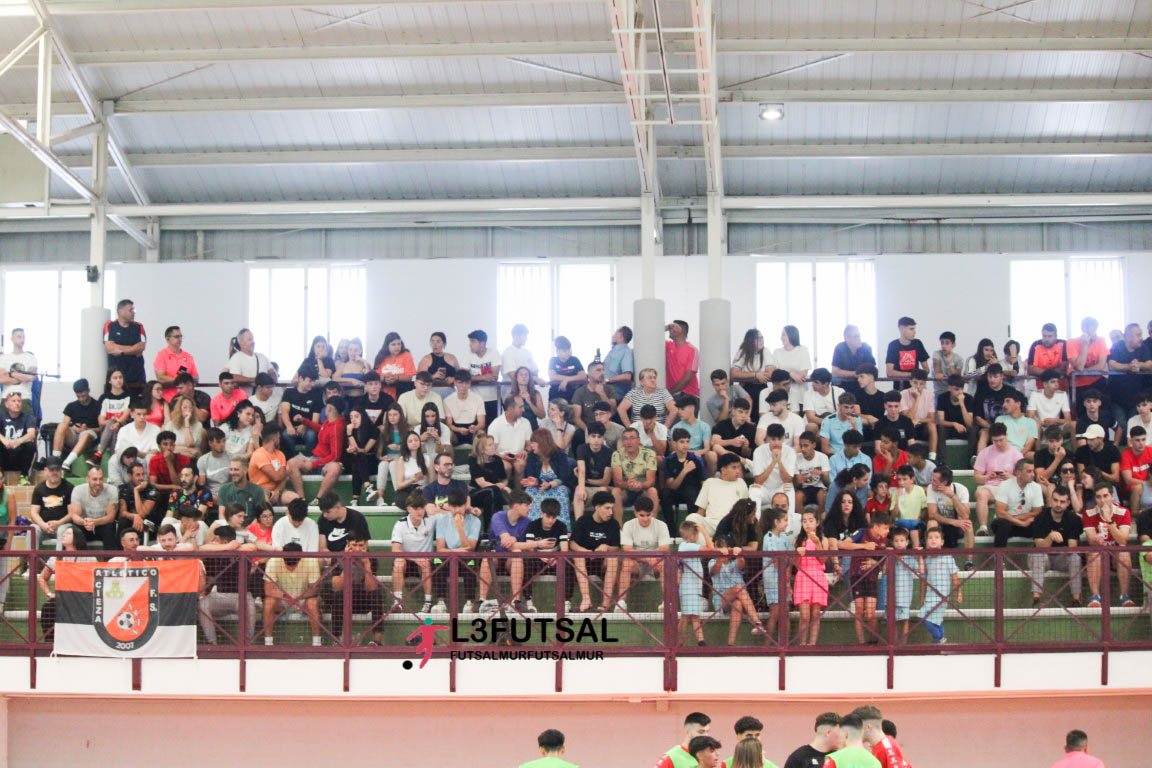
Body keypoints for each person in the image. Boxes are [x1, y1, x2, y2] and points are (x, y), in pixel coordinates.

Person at [477, 491, 535, 613]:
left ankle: (516, 601)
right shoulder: (498, 517)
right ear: (516, 505)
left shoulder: (527, 521)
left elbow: (527, 547)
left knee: (517, 553)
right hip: (496, 557)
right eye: (526, 504)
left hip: (512, 561)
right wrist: (513, 539)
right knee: (489, 556)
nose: (530, 507)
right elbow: (505, 539)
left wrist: (513, 541)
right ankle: (481, 600)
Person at [1028, 484, 1084, 608]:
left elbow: (1072, 547)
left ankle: (1076, 599)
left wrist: (1064, 549)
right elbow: (1039, 545)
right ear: (1051, 500)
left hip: (1062, 558)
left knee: (1075, 557)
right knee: (1038, 555)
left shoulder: (1074, 519)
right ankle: (1036, 599)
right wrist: (1050, 537)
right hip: (1044, 557)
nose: (1058, 504)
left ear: (1068, 503)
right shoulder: (1041, 517)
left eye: (1062, 501)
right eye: (1055, 500)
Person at [1082, 484, 1134, 609]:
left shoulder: (1124, 512)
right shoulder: (1088, 513)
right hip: (1100, 552)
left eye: (1105, 496)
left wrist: (1109, 521)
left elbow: (1122, 539)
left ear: (1112, 497)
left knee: (1124, 552)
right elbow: (1091, 540)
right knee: (1094, 553)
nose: (1102, 500)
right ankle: (1095, 597)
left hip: (1116, 553)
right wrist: (1096, 539)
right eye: (1098, 497)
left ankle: (1124, 596)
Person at [286, 396, 346, 504]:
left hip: (325, 463)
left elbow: (335, 456)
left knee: (335, 467)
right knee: (291, 463)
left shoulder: (337, 426)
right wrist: (304, 421)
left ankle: (318, 499)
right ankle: (301, 499)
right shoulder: (329, 422)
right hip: (316, 458)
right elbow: (321, 429)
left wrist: (313, 464)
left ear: (329, 409)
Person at [262, 542, 323, 647]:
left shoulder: (311, 561)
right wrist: (287, 597)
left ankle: (317, 643)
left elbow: (315, 589)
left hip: (304, 600)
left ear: (301, 557)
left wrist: (299, 597)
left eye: (294, 563)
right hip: (282, 601)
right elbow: (268, 589)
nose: (291, 567)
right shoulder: (273, 561)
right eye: (287, 563)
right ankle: (268, 643)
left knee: (312, 603)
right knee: (268, 602)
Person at [570, 491, 621, 613]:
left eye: (612, 508)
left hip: (602, 563)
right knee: (578, 556)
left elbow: (616, 547)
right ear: (597, 507)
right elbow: (572, 543)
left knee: (613, 559)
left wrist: (607, 547)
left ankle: (605, 605)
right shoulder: (583, 521)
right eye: (607, 508)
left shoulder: (614, 524)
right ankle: (586, 600)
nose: (611, 512)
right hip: (584, 561)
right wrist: (586, 551)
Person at [617, 496, 670, 611]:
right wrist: (647, 558)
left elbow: (664, 549)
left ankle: (667, 601)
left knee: (664, 564)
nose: (645, 519)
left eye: (648, 515)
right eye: (642, 515)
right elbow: (627, 550)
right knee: (626, 563)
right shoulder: (628, 525)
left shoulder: (661, 525)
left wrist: (651, 558)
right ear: (635, 513)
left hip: (656, 563)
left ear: (652, 513)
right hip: (637, 564)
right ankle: (621, 602)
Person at [432, 490, 482, 613]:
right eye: (454, 506)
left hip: (465, 558)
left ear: (465, 505)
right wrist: (456, 550)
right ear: (449, 506)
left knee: (470, 562)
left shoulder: (475, 521)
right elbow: (440, 548)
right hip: (448, 557)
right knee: (437, 561)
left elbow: (470, 548)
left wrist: (460, 527)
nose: (457, 510)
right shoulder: (442, 521)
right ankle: (440, 602)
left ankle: (469, 602)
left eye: (460, 506)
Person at [972, 423, 1024, 536]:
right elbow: (976, 478)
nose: (998, 443)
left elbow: (1023, 480)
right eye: (995, 441)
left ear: (1006, 436)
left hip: (1010, 488)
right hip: (990, 487)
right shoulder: (984, 453)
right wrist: (987, 477)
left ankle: (999, 521)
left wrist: (1010, 478)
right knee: (981, 492)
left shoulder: (1017, 454)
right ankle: (983, 527)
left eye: (1001, 440)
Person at [523, 498, 574, 612]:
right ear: (542, 513)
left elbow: (565, 549)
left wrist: (557, 558)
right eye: (548, 517)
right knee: (525, 562)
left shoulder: (561, 526)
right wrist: (541, 557)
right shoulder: (533, 525)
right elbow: (529, 547)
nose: (551, 520)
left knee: (569, 562)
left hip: (556, 561)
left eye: (554, 517)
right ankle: (528, 601)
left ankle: (566, 601)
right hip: (537, 560)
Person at [390, 494, 436, 613]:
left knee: (426, 563)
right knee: (399, 562)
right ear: (408, 509)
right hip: (407, 561)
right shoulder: (400, 524)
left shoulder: (430, 521)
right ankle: (397, 602)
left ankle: (428, 602)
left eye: (421, 508)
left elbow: (448, 513)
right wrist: (415, 558)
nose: (419, 511)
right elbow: (395, 550)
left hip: (425, 562)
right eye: (416, 508)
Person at [523, 429, 574, 528]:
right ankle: (531, 527)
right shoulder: (532, 456)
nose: (531, 445)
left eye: (534, 443)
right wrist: (535, 482)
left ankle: (563, 528)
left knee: (562, 491)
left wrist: (550, 485)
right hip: (539, 486)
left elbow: (564, 477)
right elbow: (531, 475)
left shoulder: (559, 454)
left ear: (542, 443)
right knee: (529, 491)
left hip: (557, 486)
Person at [794, 508, 831, 646]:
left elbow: (823, 559)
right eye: (804, 521)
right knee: (804, 615)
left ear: (817, 522)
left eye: (810, 520)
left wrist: (817, 543)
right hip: (803, 577)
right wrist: (798, 554)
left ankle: (812, 644)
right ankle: (802, 644)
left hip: (817, 576)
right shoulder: (798, 540)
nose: (807, 524)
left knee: (815, 615)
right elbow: (794, 564)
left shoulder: (823, 539)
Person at [920, 525, 962, 644]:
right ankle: (938, 641)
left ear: (942, 542)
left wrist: (959, 593)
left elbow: (955, 577)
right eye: (930, 538)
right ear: (927, 541)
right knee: (937, 620)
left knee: (923, 617)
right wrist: (922, 596)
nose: (933, 540)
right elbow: (923, 581)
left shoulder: (948, 558)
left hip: (942, 596)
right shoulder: (926, 560)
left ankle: (938, 637)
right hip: (929, 596)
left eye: (936, 537)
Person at [610, 427, 660, 524]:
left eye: (632, 438)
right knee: (615, 491)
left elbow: (651, 481)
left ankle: (653, 526)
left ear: (638, 440)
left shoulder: (649, 454)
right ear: (623, 442)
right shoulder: (617, 454)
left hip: (643, 490)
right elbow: (617, 482)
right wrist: (628, 485)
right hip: (626, 490)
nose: (629, 442)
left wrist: (640, 485)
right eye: (626, 439)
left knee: (653, 491)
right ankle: (619, 528)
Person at [991, 458, 1043, 548]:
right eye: (1029, 471)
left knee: (1041, 522)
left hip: (1024, 522)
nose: (1033, 475)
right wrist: (1021, 522)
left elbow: (1037, 512)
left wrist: (1019, 518)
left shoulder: (1036, 487)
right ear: (1018, 473)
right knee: (1003, 524)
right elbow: (1000, 513)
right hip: (1007, 524)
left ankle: (1038, 557)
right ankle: (999, 559)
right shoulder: (1005, 485)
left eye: (1033, 471)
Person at [53, 378, 100, 473]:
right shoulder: (71, 406)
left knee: (86, 433)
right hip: (74, 436)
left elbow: (102, 428)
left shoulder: (97, 405)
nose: (81, 399)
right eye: (78, 396)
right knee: (61, 426)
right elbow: (65, 424)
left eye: (83, 396)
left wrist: (87, 429)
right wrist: (73, 428)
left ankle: (67, 463)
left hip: (90, 437)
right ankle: (55, 460)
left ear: (88, 391)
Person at [927, 465, 974, 556]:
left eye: (934, 481)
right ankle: (931, 557)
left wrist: (953, 496)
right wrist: (952, 521)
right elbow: (932, 514)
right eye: (931, 479)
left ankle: (969, 561)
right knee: (931, 523)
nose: (931, 482)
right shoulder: (931, 488)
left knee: (968, 524)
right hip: (941, 523)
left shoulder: (961, 489)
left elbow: (965, 515)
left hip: (957, 524)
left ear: (944, 482)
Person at [67, 467, 118, 549]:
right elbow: (75, 516)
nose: (98, 482)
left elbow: (111, 517)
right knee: (74, 529)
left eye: (101, 479)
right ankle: (80, 560)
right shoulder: (78, 490)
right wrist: (85, 522)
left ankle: (109, 560)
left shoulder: (112, 490)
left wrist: (94, 522)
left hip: (103, 525)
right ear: (87, 479)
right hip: (84, 524)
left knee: (110, 527)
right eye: (95, 479)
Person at [750, 423, 797, 513]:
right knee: (754, 489)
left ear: (783, 438)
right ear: (767, 439)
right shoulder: (759, 451)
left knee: (789, 487)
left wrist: (779, 461)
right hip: (764, 489)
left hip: (780, 488)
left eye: (779, 439)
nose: (776, 443)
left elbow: (788, 480)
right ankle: (755, 524)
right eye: (773, 439)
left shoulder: (790, 452)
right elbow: (758, 481)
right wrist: (773, 462)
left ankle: (789, 524)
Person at [661, 428, 706, 519]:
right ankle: (671, 531)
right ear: (674, 443)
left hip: (692, 491)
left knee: (691, 492)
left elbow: (704, 483)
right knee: (665, 495)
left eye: (687, 442)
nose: (685, 445)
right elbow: (672, 486)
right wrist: (684, 471)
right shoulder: (669, 460)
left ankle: (691, 527)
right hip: (676, 491)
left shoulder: (696, 459)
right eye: (682, 442)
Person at [103, 299, 147, 390]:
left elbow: (141, 347)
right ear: (120, 311)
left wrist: (121, 351)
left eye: (134, 310)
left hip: (137, 379)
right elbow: (110, 348)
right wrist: (133, 349)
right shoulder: (110, 326)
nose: (134, 313)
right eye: (130, 310)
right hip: (117, 380)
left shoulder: (138, 327)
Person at [93, 368, 132, 463]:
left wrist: (117, 421)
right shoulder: (104, 398)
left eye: (120, 377)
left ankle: (99, 454)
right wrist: (113, 421)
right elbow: (101, 422)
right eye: (115, 378)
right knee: (112, 423)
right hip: (109, 430)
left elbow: (124, 417)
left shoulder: (129, 395)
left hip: (124, 428)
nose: (118, 380)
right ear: (109, 381)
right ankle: (112, 462)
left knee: (115, 424)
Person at [280, 371, 322, 457]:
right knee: (285, 435)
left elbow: (315, 420)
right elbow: (284, 412)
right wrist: (289, 426)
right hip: (292, 426)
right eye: (310, 381)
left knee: (311, 435)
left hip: (308, 427)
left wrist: (305, 425)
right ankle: (296, 456)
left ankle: (308, 458)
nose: (312, 384)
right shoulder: (289, 392)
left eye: (314, 381)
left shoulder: (316, 395)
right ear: (300, 378)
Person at [464, 329, 502, 425]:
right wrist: (484, 377)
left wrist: (472, 377)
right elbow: (463, 377)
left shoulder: (493, 353)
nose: (470, 344)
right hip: (473, 400)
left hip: (492, 399)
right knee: (476, 431)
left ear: (482, 343)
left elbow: (494, 376)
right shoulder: (468, 355)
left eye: (473, 341)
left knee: (492, 429)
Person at [899, 369, 938, 459]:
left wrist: (918, 420)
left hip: (922, 426)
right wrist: (917, 398)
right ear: (910, 382)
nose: (918, 386)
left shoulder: (930, 395)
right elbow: (908, 418)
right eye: (915, 383)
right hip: (908, 427)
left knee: (932, 425)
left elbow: (931, 418)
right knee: (906, 425)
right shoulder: (903, 394)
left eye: (921, 384)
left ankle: (933, 457)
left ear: (925, 384)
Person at [570, 361, 618, 431]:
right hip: (587, 428)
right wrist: (589, 431)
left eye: (603, 370)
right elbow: (576, 418)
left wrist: (602, 394)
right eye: (598, 370)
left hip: (607, 427)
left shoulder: (609, 389)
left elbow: (613, 412)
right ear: (589, 373)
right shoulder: (579, 392)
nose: (602, 373)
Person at [153, 325, 198, 402]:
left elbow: (195, 378)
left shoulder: (188, 356)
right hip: (168, 400)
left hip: (186, 401)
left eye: (181, 337)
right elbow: (160, 378)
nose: (179, 339)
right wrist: (181, 380)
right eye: (176, 337)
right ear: (168, 339)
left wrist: (182, 379)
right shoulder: (162, 355)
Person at [1066, 316, 1110, 394]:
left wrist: (1084, 371)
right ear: (1083, 329)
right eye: (1091, 331)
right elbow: (1079, 367)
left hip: (1097, 381)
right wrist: (1085, 345)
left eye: (1095, 330)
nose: (1094, 334)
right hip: (1078, 384)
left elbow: (1101, 365)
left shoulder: (1101, 340)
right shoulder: (1071, 342)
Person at [220, 457, 272, 522]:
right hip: (230, 529)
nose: (232, 473)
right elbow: (221, 515)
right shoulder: (224, 489)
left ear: (245, 470)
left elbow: (259, 516)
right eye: (231, 469)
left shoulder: (257, 490)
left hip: (251, 529)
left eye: (236, 470)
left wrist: (247, 530)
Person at [344, 408, 378, 504]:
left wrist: (351, 438)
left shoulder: (373, 430)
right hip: (357, 461)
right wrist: (350, 435)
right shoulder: (349, 430)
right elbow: (354, 450)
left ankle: (355, 499)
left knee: (359, 457)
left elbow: (365, 450)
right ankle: (368, 488)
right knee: (357, 459)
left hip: (370, 462)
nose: (353, 420)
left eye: (356, 416)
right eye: (351, 417)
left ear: (363, 417)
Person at [885, 316, 929, 390]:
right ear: (902, 329)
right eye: (911, 329)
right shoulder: (893, 345)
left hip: (916, 388)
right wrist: (912, 374)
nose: (914, 331)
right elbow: (889, 373)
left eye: (914, 329)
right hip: (899, 389)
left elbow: (926, 370)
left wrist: (918, 377)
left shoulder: (918, 343)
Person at [443, 370, 486, 445]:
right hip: (456, 431)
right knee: (447, 434)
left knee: (481, 433)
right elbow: (449, 424)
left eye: (467, 383)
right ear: (455, 383)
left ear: (470, 383)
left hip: (472, 430)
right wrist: (458, 429)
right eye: (460, 383)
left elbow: (482, 423)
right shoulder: (448, 400)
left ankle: (479, 456)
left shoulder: (478, 398)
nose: (464, 386)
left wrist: (475, 428)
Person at [1028, 369, 1074, 437]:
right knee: (1036, 426)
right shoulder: (1035, 394)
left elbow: (1068, 420)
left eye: (1057, 382)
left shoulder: (1062, 394)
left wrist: (1055, 421)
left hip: (1056, 427)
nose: (1057, 384)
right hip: (1040, 427)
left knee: (1073, 425)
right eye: (1053, 382)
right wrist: (1042, 423)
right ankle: (1038, 448)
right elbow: (1030, 417)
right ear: (1045, 384)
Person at [831, 325, 876, 394]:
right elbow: (834, 372)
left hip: (861, 385)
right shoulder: (840, 348)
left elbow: (872, 369)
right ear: (847, 338)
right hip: (842, 385)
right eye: (856, 337)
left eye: (859, 336)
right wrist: (854, 374)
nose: (859, 339)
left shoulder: (866, 347)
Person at [0, 392, 35, 476]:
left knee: (30, 444)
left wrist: (18, 441)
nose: (17, 403)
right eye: (13, 401)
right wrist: (4, 440)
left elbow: (31, 434)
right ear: (6, 404)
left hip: (19, 453)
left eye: (19, 401)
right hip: (4, 453)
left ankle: (23, 476)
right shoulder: (1, 416)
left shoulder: (28, 417)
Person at [995, 390, 1038, 458]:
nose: (1004, 405)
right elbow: (998, 441)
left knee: (1035, 456)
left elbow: (1028, 445)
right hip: (1003, 453)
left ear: (1018, 403)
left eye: (1008, 401)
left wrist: (1017, 456)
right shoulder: (1000, 419)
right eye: (1004, 402)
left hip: (1021, 454)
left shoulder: (1031, 422)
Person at [1120, 425, 1152, 513]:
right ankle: (1135, 514)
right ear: (1131, 441)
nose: (1141, 443)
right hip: (1133, 488)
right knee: (1138, 487)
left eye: (1143, 439)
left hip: (1149, 485)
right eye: (1137, 440)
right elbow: (1128, 480)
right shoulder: (1125, 454)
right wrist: (1147, 484)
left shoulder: (1150, 451)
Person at [665, 320, 701, 398]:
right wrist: (665, 328)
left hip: (689, 395)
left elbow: (687, 378)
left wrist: (670, 392)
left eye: (672, 327)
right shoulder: (668, 346)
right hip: (671, 395)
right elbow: (651, 335)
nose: (670, 329)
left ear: (680, 330)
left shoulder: (692, 350)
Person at [935, 374, 974, 444]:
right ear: (949, 388)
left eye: (962, 389)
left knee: (973, 429)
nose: (960, 392)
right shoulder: (942, 397)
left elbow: (969, 424)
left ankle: (973, 455)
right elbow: (940, 421)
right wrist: (954, 424)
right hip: (948, 428)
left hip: (963, 428)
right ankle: (940, 455)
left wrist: (962, 404)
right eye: (957, 389)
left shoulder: (969, 398)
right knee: (940, 429)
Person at [547, 335, 586, 402]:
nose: (568, 352)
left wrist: (566, 380)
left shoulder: (575, 360)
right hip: (556, 392)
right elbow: (552, 376)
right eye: (565, 351)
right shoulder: (553, 360)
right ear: (557, 351)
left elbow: (583, 375)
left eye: (569, 349)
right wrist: (567, 379)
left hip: (574, 392)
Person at [166, 394, 204, 460]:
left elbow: (189, 443)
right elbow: (168, 447)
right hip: (175, 457)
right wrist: (189, 450)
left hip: (191, 458)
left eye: (190, 407)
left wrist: (187, 422)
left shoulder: (198, 425)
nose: (188, 410)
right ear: (179, 409)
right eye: (185, 407)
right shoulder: (170, 424)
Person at [509, 365, 546, 430]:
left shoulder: (536, 394)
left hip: (533, 429)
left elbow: (542, 415)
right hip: (517, 430)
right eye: (521, 375)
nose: (524, 377)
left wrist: (529, 402)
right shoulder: (511, 395)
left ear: (529, 378)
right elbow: (509, 416)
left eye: (526, 375)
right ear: (516, 378)